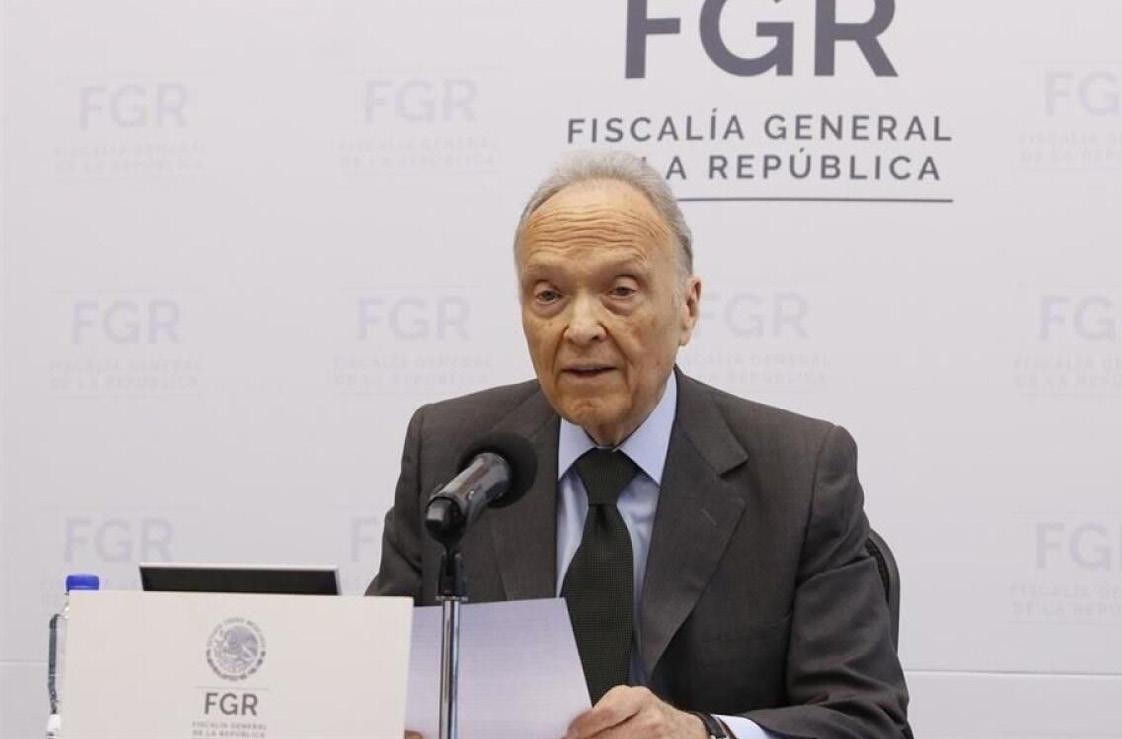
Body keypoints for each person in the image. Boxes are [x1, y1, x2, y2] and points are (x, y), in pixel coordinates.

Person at [367, 151, 911, 739]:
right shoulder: (454, 456)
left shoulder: (800, 473)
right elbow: (371, 683)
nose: (580, 328)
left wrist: (703, 734)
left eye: (620, 291)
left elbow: (867, 721)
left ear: (688, 308)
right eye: (548, 295)